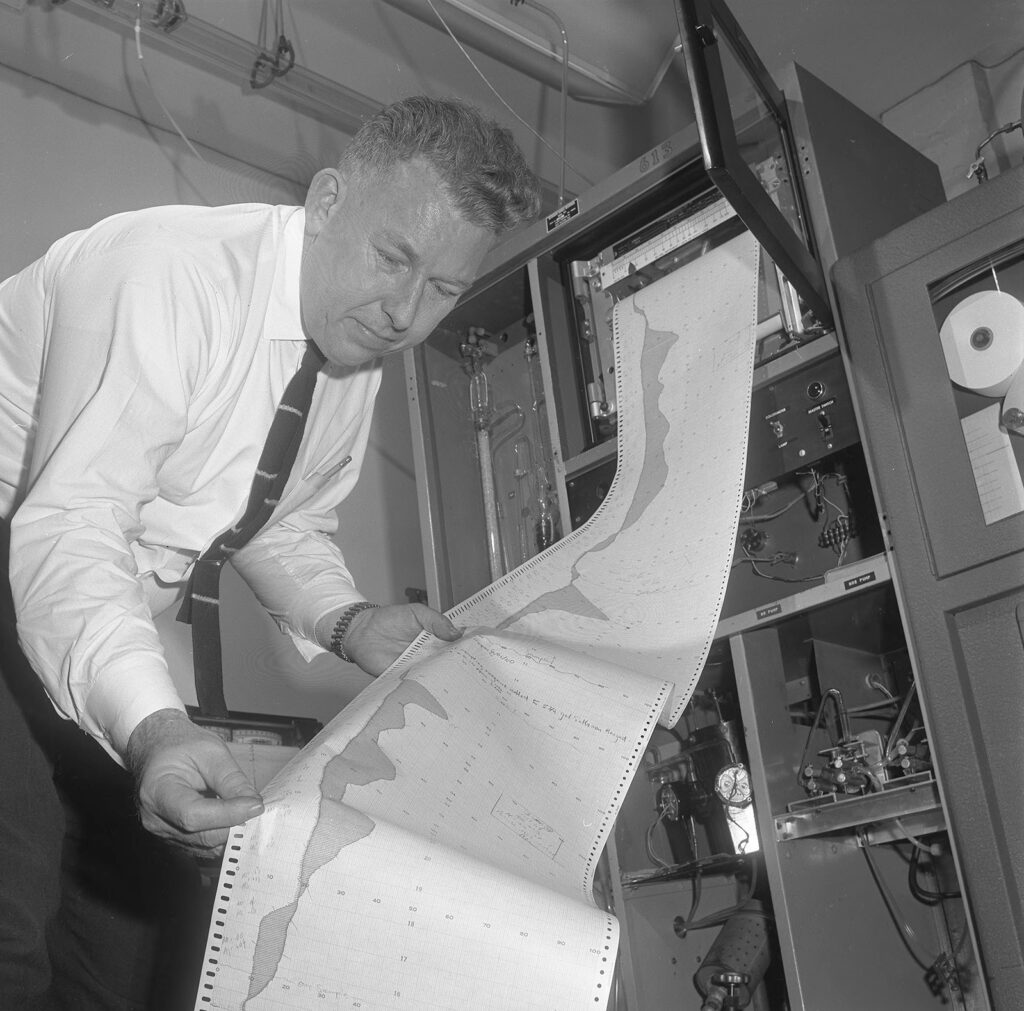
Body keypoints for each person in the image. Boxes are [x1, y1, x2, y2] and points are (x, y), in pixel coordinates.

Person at [0, 95, 540, 1009]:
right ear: (328, 201)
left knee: (134, 955)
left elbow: (272, 517)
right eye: (394, 257)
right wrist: (161, 727)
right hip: (36, 549)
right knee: (11, 927)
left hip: (83, 608)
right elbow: (68, 525)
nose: (408, 312)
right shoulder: (166, 274)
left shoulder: (354, 342)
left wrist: (349, 620)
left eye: (444, 290)